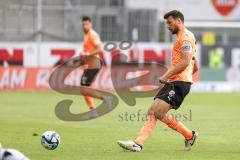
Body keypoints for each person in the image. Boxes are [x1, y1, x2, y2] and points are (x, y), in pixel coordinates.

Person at [117, 10, 199, 152]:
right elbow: (194, 63)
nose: (167, 26)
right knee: (153, 112)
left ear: (179, 21)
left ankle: (138, 143)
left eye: (170, 22)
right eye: (166, 23)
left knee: (157, 112)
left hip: (179, 83)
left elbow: (186, 62)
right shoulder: (184, 37)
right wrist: (187, 76)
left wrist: (169, 75)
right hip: (177, 81)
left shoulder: (185, 37)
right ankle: (188, 135)